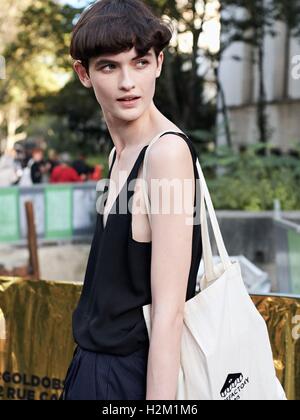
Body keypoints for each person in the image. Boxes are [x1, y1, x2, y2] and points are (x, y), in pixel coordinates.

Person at [60, 0, 202, 401]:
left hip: (128, 376)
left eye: (139, 62)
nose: (128, 82)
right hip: (93, 364)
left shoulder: (166, 154)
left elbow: (170, 313)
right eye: (109, 66)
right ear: (84, 73)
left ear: (158, 63)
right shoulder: (121, 152)